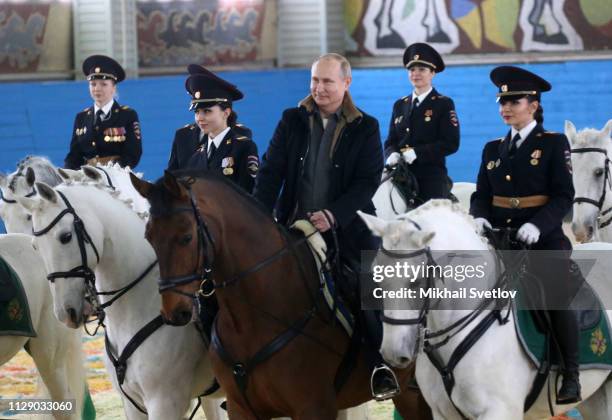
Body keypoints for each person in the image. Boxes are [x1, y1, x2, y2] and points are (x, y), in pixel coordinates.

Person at [253, 53, 399, 400]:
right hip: (293, 230)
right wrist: (259, 218)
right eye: (315, 80)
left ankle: (378, 365)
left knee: (367, 286)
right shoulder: (292, 120)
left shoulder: (366, 126)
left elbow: (366, 183)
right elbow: (271, 172)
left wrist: (333, 215)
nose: (319, 88)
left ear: (346, 84)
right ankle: (250, 370)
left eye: (328, 81)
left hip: (346, 230)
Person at [470, 65, 581, 404]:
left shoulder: (552, 144)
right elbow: (480, 195)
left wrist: (538, 224)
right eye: (502, 101)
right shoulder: (492, 149)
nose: (505, 107)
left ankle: (571, 374)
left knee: (554, 294)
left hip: (543, 240)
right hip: (500, 241)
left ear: (533, 105)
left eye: (513, 101)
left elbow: (564, 196)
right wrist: (478, 217)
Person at [384, 42, 459, 204]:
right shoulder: (400, 105)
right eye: (412, 70)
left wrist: (418, 153)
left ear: (432, 73)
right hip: (400, 175)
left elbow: (451, 143)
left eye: (422, 70)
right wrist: (391, 153)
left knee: (434, 221)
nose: (416, 74)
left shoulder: (443, 104)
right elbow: (391, 140)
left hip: (430, 176)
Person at [166, 68, 259, 193]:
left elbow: (248, 194)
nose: (199, 118)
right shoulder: (197, 155)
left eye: (207, 111)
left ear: (226, 113)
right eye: (197, 112)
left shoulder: (243, 146)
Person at [65, 55, 142, 169]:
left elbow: (133, 154)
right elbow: (74, 155)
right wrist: (67, 174)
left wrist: (108, 172)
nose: (97, 89)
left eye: (103, 84)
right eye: (93, 84)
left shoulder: (127, 115)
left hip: (117, 176)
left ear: (114, 88)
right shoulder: (81, 118)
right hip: (87, 177)